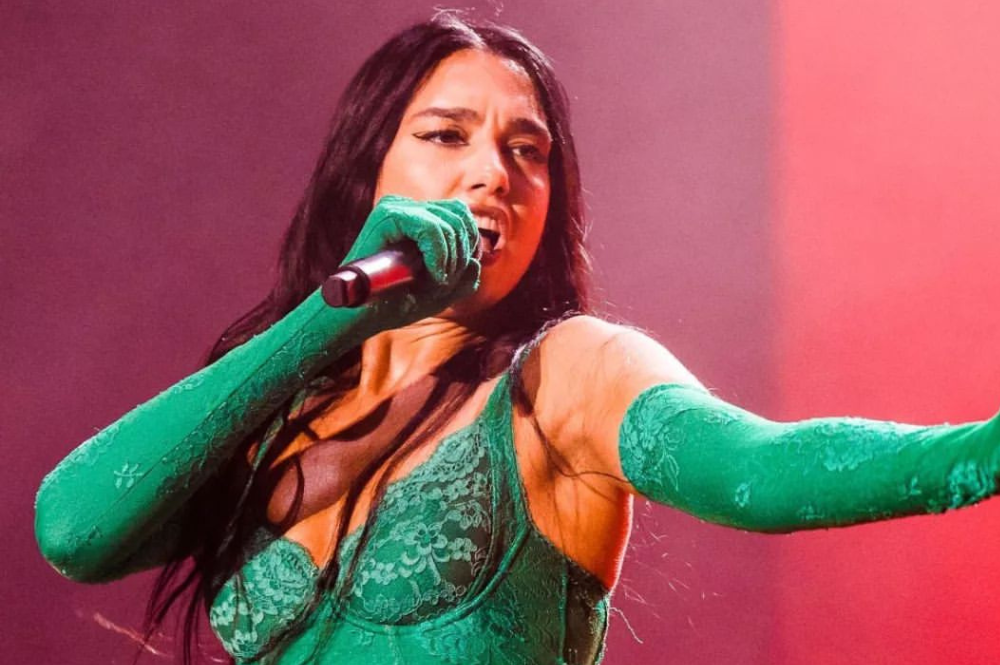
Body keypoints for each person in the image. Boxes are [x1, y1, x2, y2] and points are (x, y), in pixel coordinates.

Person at [33, 13, 1000, 665]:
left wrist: (980, 453)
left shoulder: (567, 373)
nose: (493, 173)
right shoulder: (280, 414)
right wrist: (330, 321)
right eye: (446, 135)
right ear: (367, 174)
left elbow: (764, 469)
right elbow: (74, 530)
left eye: (526, 149)